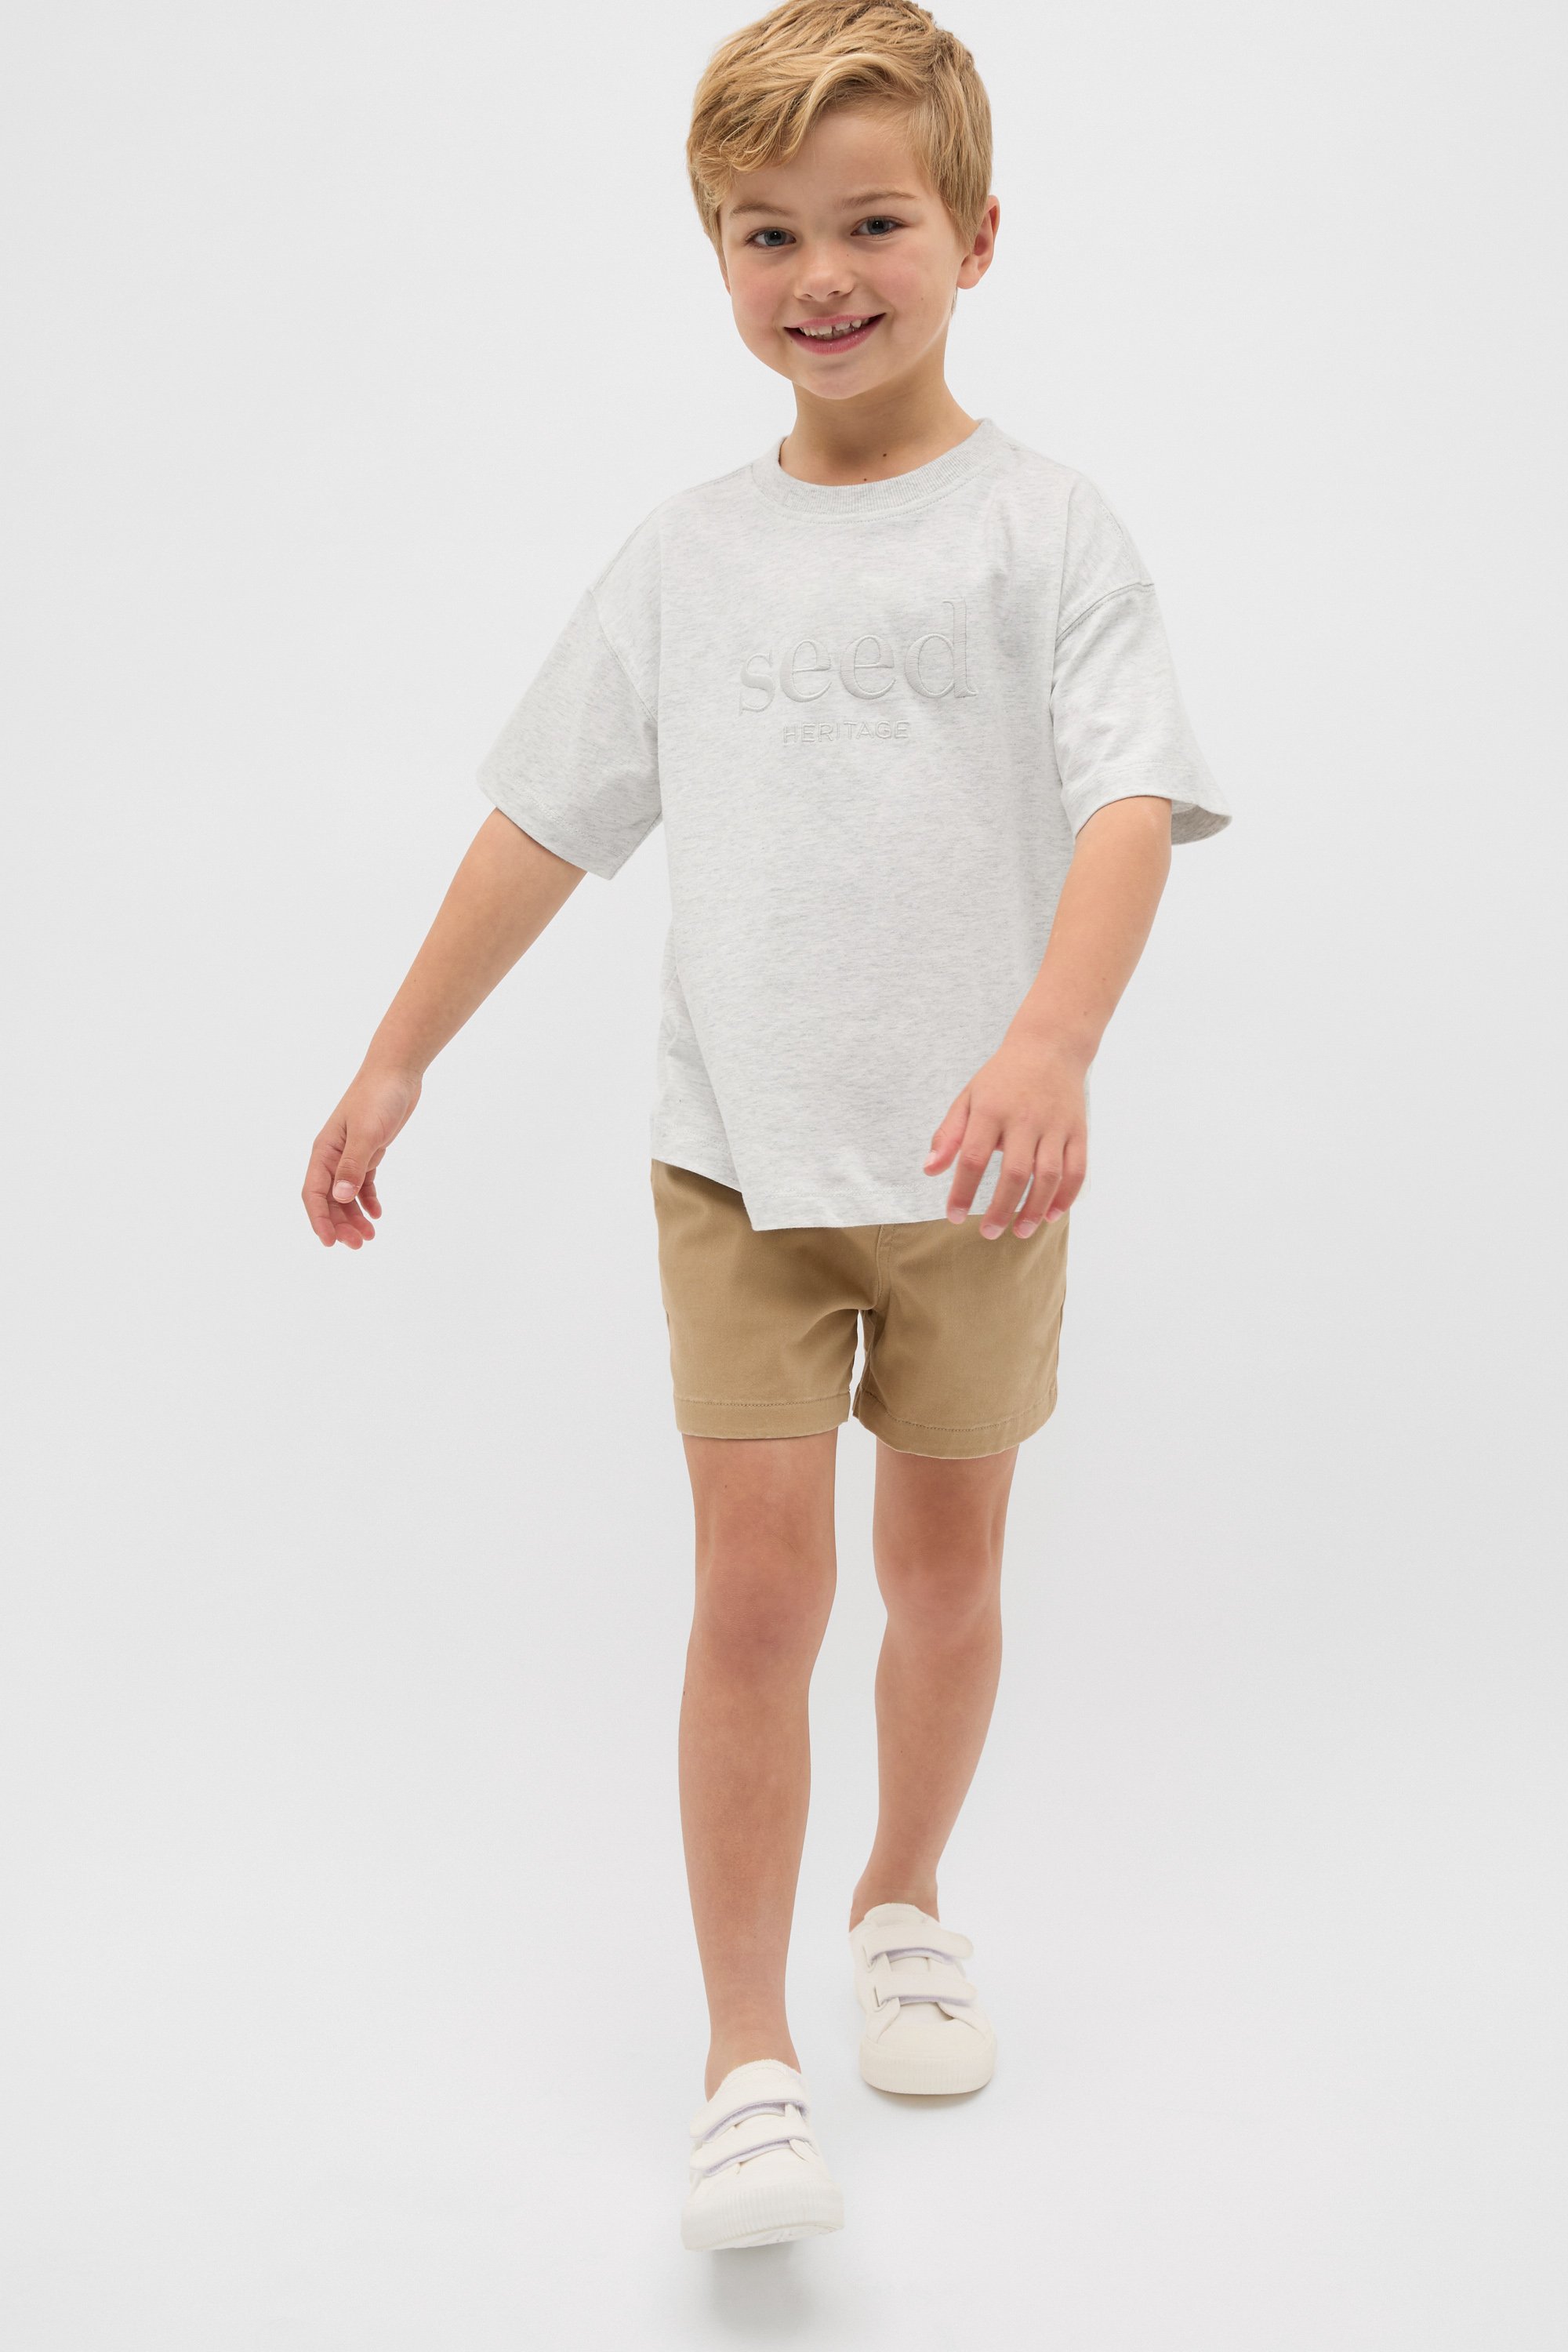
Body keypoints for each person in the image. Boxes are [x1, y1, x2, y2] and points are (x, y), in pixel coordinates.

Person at [301, 0, 1232, 2256]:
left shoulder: (1047, 530)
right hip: (739, 1166)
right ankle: (745, 2057)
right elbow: (546, 818)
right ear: (718, 255)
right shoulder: (685, 557)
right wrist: (399, 1052)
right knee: (754, 1598)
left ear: (977, 237)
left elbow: (1131, 802)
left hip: (981, 1179)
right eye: (768, 232)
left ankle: (903, 1896)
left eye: (874, 223)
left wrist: (1054, 1042)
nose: (824, 275)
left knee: (945, 1579)